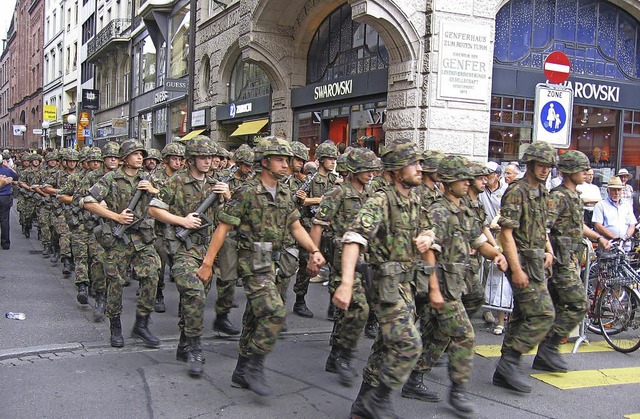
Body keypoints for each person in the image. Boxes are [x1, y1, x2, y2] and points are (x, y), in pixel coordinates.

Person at [196, 136, 326, 397]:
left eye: (288, 160)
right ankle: (256, 365)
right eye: (280, 159)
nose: (286, 165)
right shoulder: (247, 191)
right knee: (275, 313)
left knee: (255, 318)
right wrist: (207, 263)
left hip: (275, 261)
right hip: (252, 261)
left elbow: (295, 226)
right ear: (264, 161)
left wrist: (314, 249)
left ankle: (241, 371)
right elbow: (223, 228)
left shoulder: (286, 192)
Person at [332, 137, 429, 418]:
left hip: (407, 286)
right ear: (397, 169)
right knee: (410, 345)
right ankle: (380, 399)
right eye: (414, 163)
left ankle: (362, 405)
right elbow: (354, 238)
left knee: (386, 346)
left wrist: (427, 235)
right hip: (386, 287)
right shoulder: (380, 199)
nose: (420, 168)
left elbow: (427, 227)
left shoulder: (413, 199)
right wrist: (347, 283)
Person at [414, 156, 507, 415]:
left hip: (457, 285)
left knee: (439, 335)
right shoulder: (437, 210)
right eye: (462, 178)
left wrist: (495, 255)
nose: (468, 182)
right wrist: (433, 289)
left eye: (469, 178)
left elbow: (478, 240)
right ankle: (457, 392)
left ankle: (414, 377)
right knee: (465, 336)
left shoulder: (464, 209)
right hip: (441, 285)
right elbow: (428, 249)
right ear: (447, 181)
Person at [148, 136, 231, 377]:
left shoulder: (216, 185)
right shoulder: (176, 182)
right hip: (183, 249)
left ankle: (184, 342)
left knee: (197, 299)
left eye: (211, 157)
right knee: (194, 295)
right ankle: (195, 348)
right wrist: (181, 221)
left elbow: (228, 218)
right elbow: (153, 209)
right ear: (191, 160)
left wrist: (227, 197)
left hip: (209, 250)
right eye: (203, 158)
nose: (208, 162)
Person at [309, 147, 380, 387]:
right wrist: (314, 254)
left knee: (349, 309)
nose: (371, 174)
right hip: (341, 258)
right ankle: (344, 357)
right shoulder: (338, 193)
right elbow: (318, 224)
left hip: (366, 258)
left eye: (373, 169)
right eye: (366, 170)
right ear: (353, 170)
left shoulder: (372, 193)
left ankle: (336, 354)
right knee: (358, 308)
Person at [83, 139, 162, 349]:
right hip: (119, 238)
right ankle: (115, 326)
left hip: (142, 238)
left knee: (153, 274)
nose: (140, 157)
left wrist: (153, 191)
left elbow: (167, 204)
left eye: (141, 154)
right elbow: (88, 201)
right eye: (135, 153)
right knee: (115, 283)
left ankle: (142, 324)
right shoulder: (110, 178)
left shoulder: (148, 179)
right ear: (125, 158)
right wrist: (115, 217)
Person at [493, 141, 556, 394]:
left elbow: (541, 227)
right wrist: (516, 269)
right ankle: (509, 363)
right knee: (544, 314)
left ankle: (503, 372)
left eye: (549, 166)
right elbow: (506, 233)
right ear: (530, 164)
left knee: (521, 316)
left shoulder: (542, 191)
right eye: (541, 165)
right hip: (522, 263)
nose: (545, 170)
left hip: (537, 262)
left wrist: (549, 250)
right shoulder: (516, 191)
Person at [538, 150, 610, 373]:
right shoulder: (558, 197)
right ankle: (549, 347)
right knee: (579, 304)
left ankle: (544, 354)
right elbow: (542, 227)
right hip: (560, 262)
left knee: (560, 308)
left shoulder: (573, 196)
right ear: (570, 171)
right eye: (582, 169)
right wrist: (547, 253)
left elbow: (579, 227)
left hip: (570, 259)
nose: (587, 172)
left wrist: (599, 238)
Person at [294, 140, 338, 318]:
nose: (333, 162)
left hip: (330, 228)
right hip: (310, 226)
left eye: (335, 158)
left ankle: (333, 305)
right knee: (306, 265)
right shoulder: (310, 179)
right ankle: (299, 300)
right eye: (329, 159)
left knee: (335, 266)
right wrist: (321, 200)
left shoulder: (335, 180)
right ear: (320, 160)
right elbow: (300, 200)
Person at [479, 161, 512, 334]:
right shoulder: (480, 190)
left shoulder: (506, 191)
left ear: (497, 176)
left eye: (489, 174)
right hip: (484, 233)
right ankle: (486, 307)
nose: (486, 178)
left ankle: (499, 311)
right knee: (485, 272)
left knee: (500, 277)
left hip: (499, 235)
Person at [592, 176, 636, 241]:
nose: (617, 193)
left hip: (625, 244)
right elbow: (598, 226)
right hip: (608, 243)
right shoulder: (601, 205)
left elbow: (632, 225)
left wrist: (626, 237)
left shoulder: (627, 205)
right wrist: (615, 238)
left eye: (619, 190)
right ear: (608, 190)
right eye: (614, 190)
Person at [0, 155, 19, 249]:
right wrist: (8, 166)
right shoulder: (7, 171)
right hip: (5, 197)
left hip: (4, 196)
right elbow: (16, 176)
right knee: (4, 220)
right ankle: (5, 243)